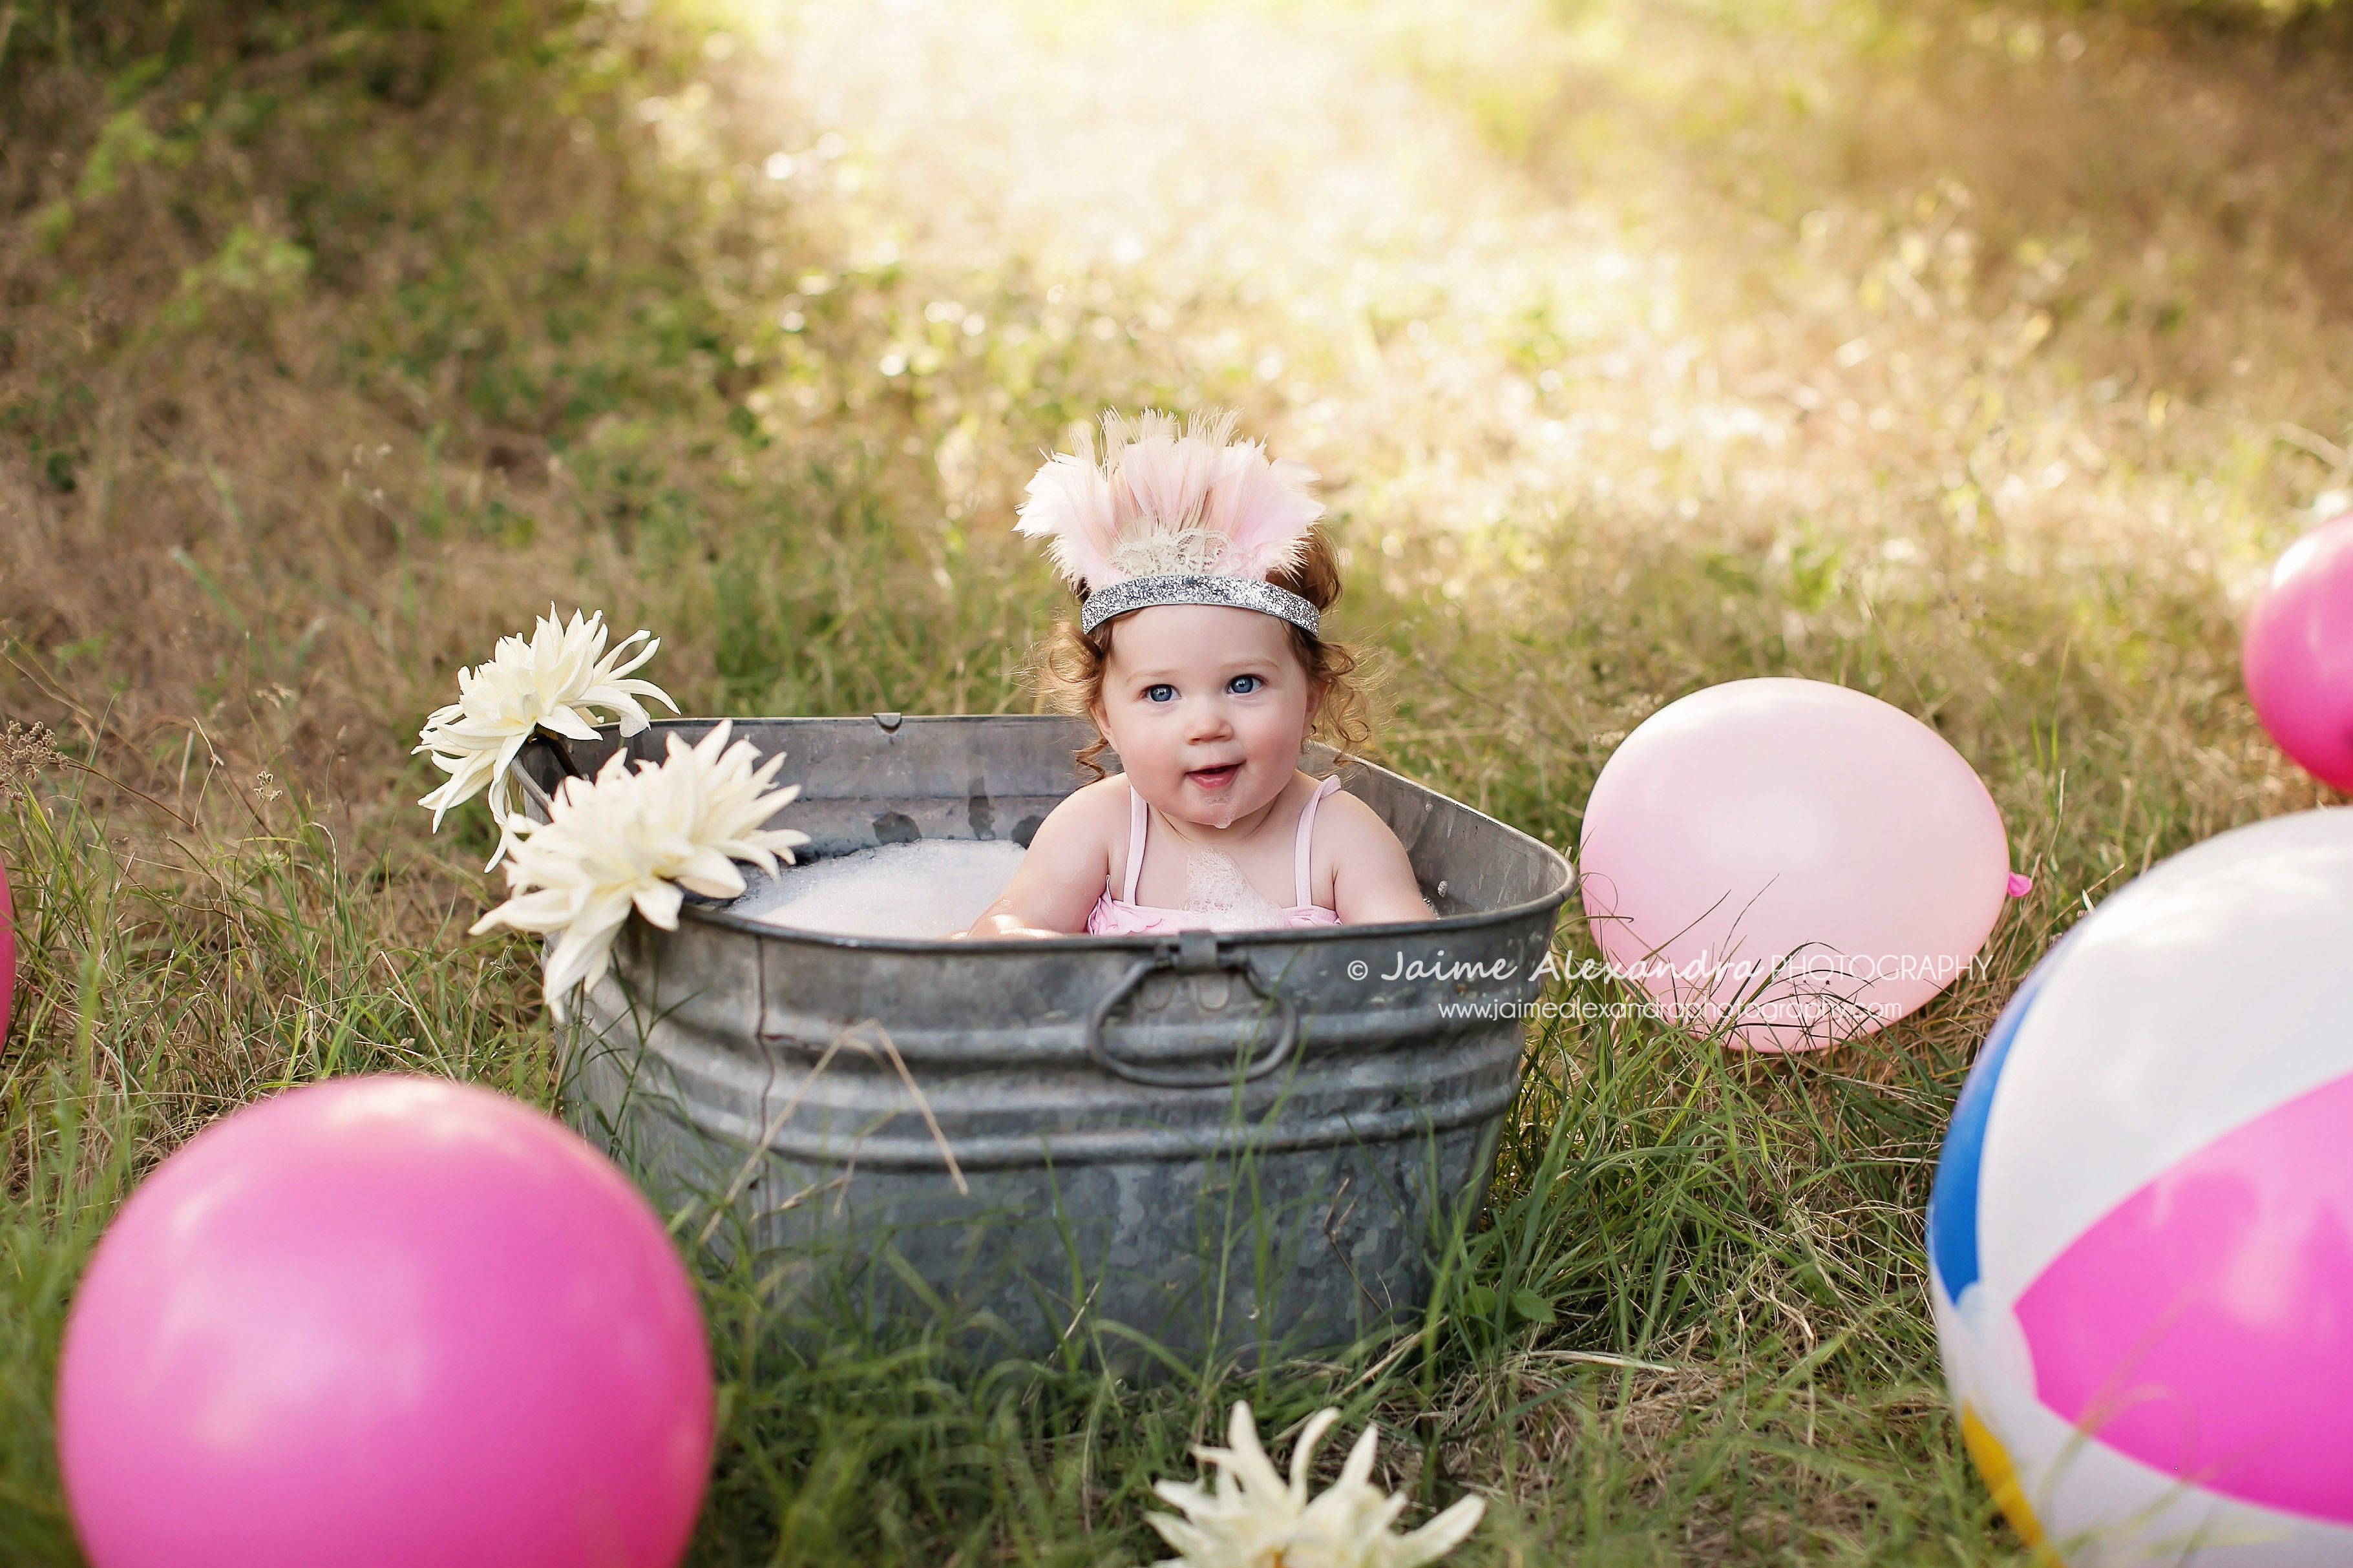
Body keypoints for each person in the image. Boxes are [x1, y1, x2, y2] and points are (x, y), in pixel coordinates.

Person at [954, 408, 1434, 939]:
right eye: (1161, 692)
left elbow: (1413, 963)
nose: (1206, 724)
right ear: (1106, 718)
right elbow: (1006, 928)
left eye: (1243, 684)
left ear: (1310, 701)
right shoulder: (1101, 826)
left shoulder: (1339, 838)